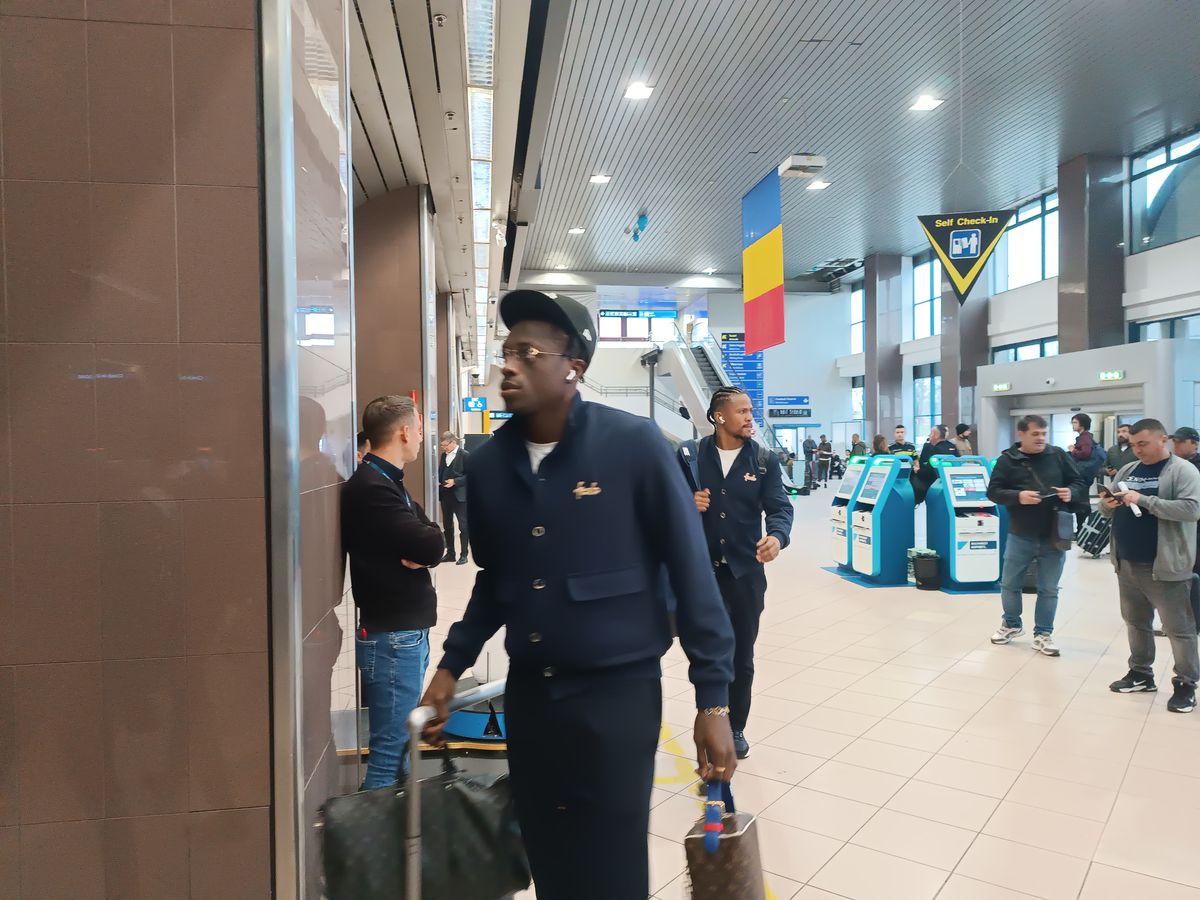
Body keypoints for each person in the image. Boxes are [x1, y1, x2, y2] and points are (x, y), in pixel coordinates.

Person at [419, 290, 736, 900]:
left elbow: (691, 570)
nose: (509, 366)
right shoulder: (489, 467)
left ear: (574, 366)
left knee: (611, 864)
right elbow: (496, 578)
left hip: (616, 698)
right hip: (532, 699)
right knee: (549, 857)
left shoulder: (634, 446)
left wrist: (714, 701)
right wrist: (452, 665)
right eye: (507, 352)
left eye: (528, 353)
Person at [342, 395, 446, 788]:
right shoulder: (372, 487)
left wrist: (428, 540)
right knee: (389, 755)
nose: (421, 438)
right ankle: (372, 827)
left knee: (399, 750)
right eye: (419, 430)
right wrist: (427, 543)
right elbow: (431, 545)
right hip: (393, 640)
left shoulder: (386, 481)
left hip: (401, 635)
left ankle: (395, 823)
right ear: (404, 431)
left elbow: (430, 535)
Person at [689, 387, 793, 760]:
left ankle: (735, 727)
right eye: (742, 411)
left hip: (745, 576)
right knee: (706, 653)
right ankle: (709, 717)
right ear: (719, 416)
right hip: (701, 575)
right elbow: (663, 503)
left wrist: (777, 538)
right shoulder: (691, 457)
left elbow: (780, 508)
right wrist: (687, 502)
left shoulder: (764, 460)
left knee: (741, 655)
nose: (750, 418)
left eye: (751, 411)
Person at [1102, 419, 1200, 713]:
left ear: (1163, 440)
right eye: (1133, 445)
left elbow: (1192, 509)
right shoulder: (1128, 470)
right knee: (1136, 622)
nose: (1137, 450)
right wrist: (1108, 504)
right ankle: (1141, 673)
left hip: (1166, 565)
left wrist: (1144, 500)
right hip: (1127, 561)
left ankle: (1185, 684)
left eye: (1143, 444)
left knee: (1178, 629)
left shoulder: (1183, 471)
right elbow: (1106, 510)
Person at [987, 414, 1086, 657]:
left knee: (1049, 588)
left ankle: (1043, 633)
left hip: (1054, 533)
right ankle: (1011, 623)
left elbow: (1078, 482)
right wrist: (1018, 497)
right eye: (1035, 434)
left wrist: (1070, 492)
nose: (1041, 438)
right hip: (1020, 532)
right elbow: (994, 492)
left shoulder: (1058, 455)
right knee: (1010, 584)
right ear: (1021, 434)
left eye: (1043, 433)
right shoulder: (1008, 460)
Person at [1172, 426, 1200, 631]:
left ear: (1194, 443)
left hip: (1196, 528)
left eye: (1181, 441)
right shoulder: (1173, 466)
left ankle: (1194, 622)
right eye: (1175, 441)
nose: (1176, 445)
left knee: (1195, 575)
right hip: (1178, 528)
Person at [437, 432, 470, 565]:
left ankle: (464, 555)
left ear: (453, 442)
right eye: (442, 445)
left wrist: (455, 481)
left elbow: (471, 475)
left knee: (463, 526)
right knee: (447, 525)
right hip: (445, 494)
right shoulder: (443, 455)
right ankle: (450, 554)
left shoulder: (465, 455)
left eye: (445, 445)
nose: (444, 448)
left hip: (460, 495)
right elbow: (441, 471)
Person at [1069, 413, 1105, 529]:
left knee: (1081, 503)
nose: (1073, 425)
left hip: (1082, 475)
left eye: (1075, 422)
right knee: (1082, 501)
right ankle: (1082, 528)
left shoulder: (1084, 437)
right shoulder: (1086, 437)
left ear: (1082, 424)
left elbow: (1085, 453)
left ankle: (1082, 529)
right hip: (1086, 474)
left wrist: (1073, 451)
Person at [913, 424, 959, 504]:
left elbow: (929, 472)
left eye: (931, 433)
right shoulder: (952, 447)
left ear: (936, 435)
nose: (929, 435)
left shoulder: (935, 450)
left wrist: (918, 471)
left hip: (936, 486)